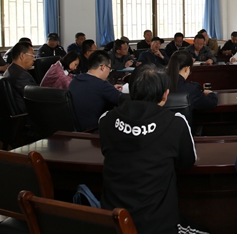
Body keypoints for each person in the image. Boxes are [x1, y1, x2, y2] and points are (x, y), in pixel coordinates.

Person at [99, 64, 196, 234]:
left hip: (112, 223)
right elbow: (187, 162)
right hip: (159, 226)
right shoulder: (176, 122)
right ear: (165, 94)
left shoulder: (106, 119)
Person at [68, 50, 122, 131]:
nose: (109, 72)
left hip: (73, 130)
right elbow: (122, 99)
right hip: (92, 130)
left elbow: (92, 91)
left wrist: (111, 89)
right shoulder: (102, 85)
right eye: (109, 68)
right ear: (103, 67)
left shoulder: (75, 79)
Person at [3, 41, 37, 113]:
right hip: (28, 114)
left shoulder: (12, 69)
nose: (34, 59)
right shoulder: (21, 76)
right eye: (32, 55)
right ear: (22, 56)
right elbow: (34, 98)